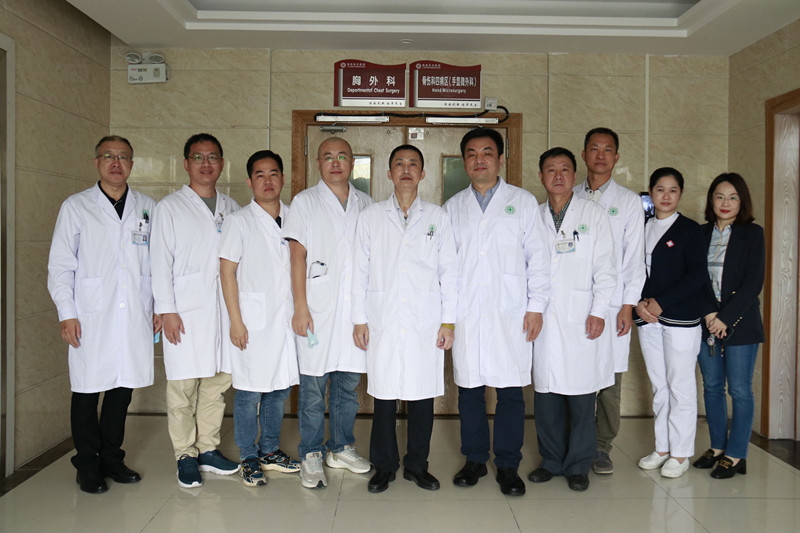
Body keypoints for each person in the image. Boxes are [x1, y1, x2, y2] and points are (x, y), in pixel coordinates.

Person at [47, 135, 159, 493]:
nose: (116, 162)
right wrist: (67, 313)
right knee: (86, 390)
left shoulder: (147, 207)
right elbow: (61, 265)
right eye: (109, 156)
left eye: (123, 157)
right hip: (90, 314)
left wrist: (158, 305)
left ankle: (112, 458)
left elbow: (157, 262)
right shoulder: (76, 206)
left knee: (122, 390)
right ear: (97, 162)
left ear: (132, 164)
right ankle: (87, 463)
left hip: (134, 312)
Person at [444, 128, 550, 496]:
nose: (479, 160)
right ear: (464, 162)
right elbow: (446, 266)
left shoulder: (522, 202)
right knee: (469, 389)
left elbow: (539, 259)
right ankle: (474, 459)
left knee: (510, 391)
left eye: (487, 152)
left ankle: (507, 464)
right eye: (472, 154)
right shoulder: (452, 207)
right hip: (467, 312)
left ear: (500, 159)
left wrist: (536, 307)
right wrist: (446, 316)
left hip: (511, 311)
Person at [352, 145, 458, 493]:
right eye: (399, 164)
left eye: (413, 164)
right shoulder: (371, 217)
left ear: (423, 174)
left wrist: (448, 322)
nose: (406, 169)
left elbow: (449, 273)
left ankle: (417, 465)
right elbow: (359, 271)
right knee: (384, 395)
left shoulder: (437, 217)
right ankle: (384, 466)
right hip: (382, 317)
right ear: (389, 173)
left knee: (421, 395)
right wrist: (359, 319)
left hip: (424, 320)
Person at [151, 133, 241, 488]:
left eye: (213, 157)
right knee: (183, 387)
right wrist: (167, 309)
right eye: (198, 157)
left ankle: (208, 449)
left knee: (216, 385)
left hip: (224, 310)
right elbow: (159, 262)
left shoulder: (232, 207)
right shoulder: (169, 208)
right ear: (186, 163)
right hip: (185, 311)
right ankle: (185, 455)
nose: (206, 164)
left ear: (222, 163)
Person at [282, 137, 373, 489]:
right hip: (316, 309)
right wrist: (300, 307)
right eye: (328, 157)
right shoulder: (304, 202)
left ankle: (341, 447)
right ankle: (310, 452)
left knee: (348, 386)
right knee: (313, 388)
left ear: (352, 162)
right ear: (318, 163)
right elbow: (297, 256)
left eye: (342, 156)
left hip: (354, 311)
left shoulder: (366, 203)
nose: (335, 162)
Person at [529, 147, 616, 492]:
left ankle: (579, 464)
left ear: (574, 176)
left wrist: (598, 311)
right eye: (551, 170)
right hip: (543, 318)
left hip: (582, 316)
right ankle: (551, 460)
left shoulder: (593, 215)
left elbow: (606, 269)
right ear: (541, 177)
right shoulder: (533, 216)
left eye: (565, 169)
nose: (558, 176)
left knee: (581, 396)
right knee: (546, 394)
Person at [219, 150, 301, 487]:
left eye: (273, 174)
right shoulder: (238, 221)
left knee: (279, 389)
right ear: (250, 181)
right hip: (252, 321)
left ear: (282, 178)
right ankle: (248, 456)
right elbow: (227, 273)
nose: (267, 181)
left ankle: (269, 451)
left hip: (286, 319)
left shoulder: (295, 217)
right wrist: (236, 321)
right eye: (260, 175)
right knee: (250, 392)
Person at [573, 127, 646, 475]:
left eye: (607, 150)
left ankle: (602, 446)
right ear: (584, 155)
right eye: (594, 149)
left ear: (616, 158)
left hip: (614, 304)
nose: (600, 155)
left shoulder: (628, 202)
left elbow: (634, 259)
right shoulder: (569, 195)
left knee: (608, 380)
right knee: (574, 375)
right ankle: (576, 442)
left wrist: (628, 305)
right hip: (573, 304)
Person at [634, 167, 706, 478]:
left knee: (680, 386)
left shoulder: (691, 230)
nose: (666, 196)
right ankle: (662, 448)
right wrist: (639, 303)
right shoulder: (642, 227)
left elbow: (697, 275)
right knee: (660, 386)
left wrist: (661, 302)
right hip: (648, 319)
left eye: (673, 190)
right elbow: (633, 271)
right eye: (660, 189)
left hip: (680, 319)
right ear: (650, 192)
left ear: (680, 194)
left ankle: (680, 453)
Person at [693, 173, 764, 479]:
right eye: (720, 196)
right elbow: (694, 277)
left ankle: (736, 454)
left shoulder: (753, 234)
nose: (726, 203)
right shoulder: (699, 234)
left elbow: (753, 282)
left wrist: (725, 318)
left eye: (733, 197)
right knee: (711, 387)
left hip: (741, 323)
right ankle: (718, 447)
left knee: (739, 389)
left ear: (742, 201)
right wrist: (710, 314)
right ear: (711, 200)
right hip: (706, 322)